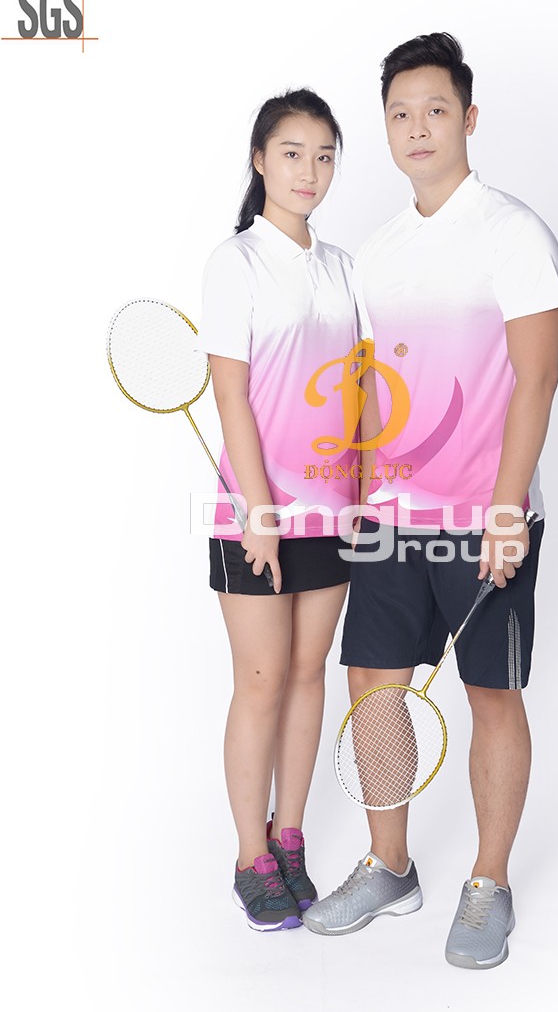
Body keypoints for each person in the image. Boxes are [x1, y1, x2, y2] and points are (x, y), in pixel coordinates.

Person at [302, 33, 558, 970]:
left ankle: (488, 881)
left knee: (491, 693)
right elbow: (375, 384)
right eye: (401, 114)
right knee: (373, 687)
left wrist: (506, 509)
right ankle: (390, 864)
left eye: (436, 110)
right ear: (386, 127)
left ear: (469, 118)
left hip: (486, 520)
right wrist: (366, 492)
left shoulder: (513, 232)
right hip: (394, 519)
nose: (418, 128)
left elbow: (536, 379)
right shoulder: (376, 253)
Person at [195, 88, 361, 932]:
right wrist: (257, 511)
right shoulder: (237, 262)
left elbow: (360, 388)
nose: (309, 170)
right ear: (260, 160)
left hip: (333, 509)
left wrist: (364, 495)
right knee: (259, 680)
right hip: (255, 513)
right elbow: (231, 396)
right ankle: (248, 855)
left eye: (325, 155)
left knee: (306, 672)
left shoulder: (341, 266)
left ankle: (288, 838)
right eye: (293, 153)